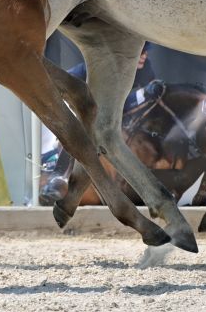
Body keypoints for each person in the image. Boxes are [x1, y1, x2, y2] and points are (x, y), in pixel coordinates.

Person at [39, 42, 165, 203]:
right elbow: (105, 102)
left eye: (145, 52)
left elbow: (131, 104)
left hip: (96, 103)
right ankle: (58, 175)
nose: (144, 56)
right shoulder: (110, 67)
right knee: (80, 128)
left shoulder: (145, 68)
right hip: (66, 95)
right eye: (140, 53)